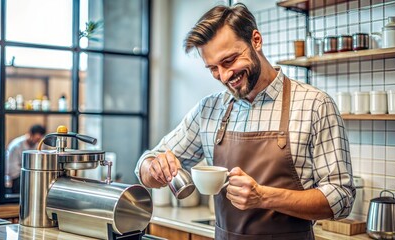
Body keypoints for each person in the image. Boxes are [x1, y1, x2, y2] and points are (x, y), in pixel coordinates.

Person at [135, 4, 355, 239]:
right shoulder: (209, 110)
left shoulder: (315, 105)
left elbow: (340, 198)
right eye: (213, 69)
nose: (223, 76)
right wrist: (153, 167)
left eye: (229, 61)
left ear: (256, 40)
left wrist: (264, 197)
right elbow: (146, 163)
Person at [5, 124, 46, 193]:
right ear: (30, 134)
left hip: (31, 174)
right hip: (17, 177)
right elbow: (12, 169)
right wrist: (28, 174)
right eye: (36, 139)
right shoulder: (16, 146)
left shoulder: (38, 145)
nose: (37, 142)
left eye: (39, 140)